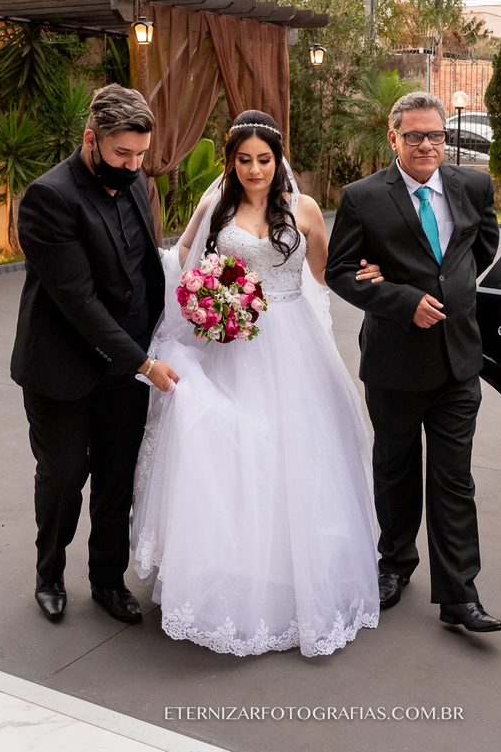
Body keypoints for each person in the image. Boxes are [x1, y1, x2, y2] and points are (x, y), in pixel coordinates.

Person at [131, 110, 381, 657]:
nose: (254, 170)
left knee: (298, 451)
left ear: (277, 159)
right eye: (243, 160)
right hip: (233, 341)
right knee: (238, 449)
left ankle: (295, 575)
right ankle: (234, 564)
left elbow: (325, 273)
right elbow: (183, 257)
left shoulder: (304, 209)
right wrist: (207, 294)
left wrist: (370, 274)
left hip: (293, 339)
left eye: (263, 159)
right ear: (231, 161)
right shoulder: (216, 206)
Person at [326, 91, 501, 633]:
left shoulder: (474, 186)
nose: (427, 145)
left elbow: (479, 249)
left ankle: (460, 596)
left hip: (458, 361)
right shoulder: (362, 198)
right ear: (394, 138)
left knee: (454, 480)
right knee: (396, 472)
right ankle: (395, 565)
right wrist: (403, 300)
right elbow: (340, 271)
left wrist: (448, 288)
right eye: (415, 136)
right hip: (395, 363)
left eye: (436, 135)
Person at [11, 84, 179, 624]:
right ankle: (49, 575)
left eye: (140, 155)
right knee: (62, 478)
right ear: (91, 140)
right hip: (62, 367)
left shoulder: (134, 183)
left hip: (125, 367)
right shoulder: (48, 197)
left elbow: (145, 267)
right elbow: (77, 301)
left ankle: (108, 580)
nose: (132, 165)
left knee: (116, 476)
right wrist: (144, 363)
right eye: (121, 153)